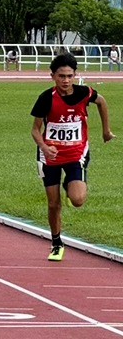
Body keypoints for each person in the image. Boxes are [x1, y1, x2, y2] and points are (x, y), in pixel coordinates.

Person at [31, 53, 114, 261]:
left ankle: (70, 183)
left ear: (75, 75)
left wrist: (106, 130)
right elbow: (35, 129)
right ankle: (57, 242)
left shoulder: (85, 93)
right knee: (53, 203)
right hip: (49, 156)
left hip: (76, 153)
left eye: (69, 76)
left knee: (77, 200)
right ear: (53, 76)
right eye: (61, 76)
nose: (66, 81)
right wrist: (44, 146)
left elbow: (102, 102)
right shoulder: (45, 98)